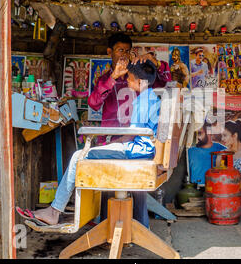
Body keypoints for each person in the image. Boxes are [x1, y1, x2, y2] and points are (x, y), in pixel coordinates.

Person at [16, 59, 161, 229]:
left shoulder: (142, 102)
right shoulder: (151, 97)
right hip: (142, 151)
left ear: (140, 82)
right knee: (91, 153)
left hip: (135, 151)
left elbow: (132, 135)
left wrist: (109, 142)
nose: (127, 81)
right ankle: (62, 211)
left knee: (79, 155)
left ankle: (54, 212)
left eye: (129, 78)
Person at [87, 32, 169, 146]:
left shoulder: (137, 76)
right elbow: (93, 104)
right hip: (110, 139)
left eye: (127, 51)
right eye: (120, 50)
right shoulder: (104, 79)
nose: (124, 55)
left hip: (135, 139)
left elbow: (165, 82)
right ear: (109, 52)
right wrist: (113, 78)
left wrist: (156, 62)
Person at [188, 121, 226, 186]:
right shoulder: (190, 151)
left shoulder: (221, 149)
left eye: (199, 133)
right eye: (195, 134)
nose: (197, 137)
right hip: (194, 190)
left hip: (215, 190)